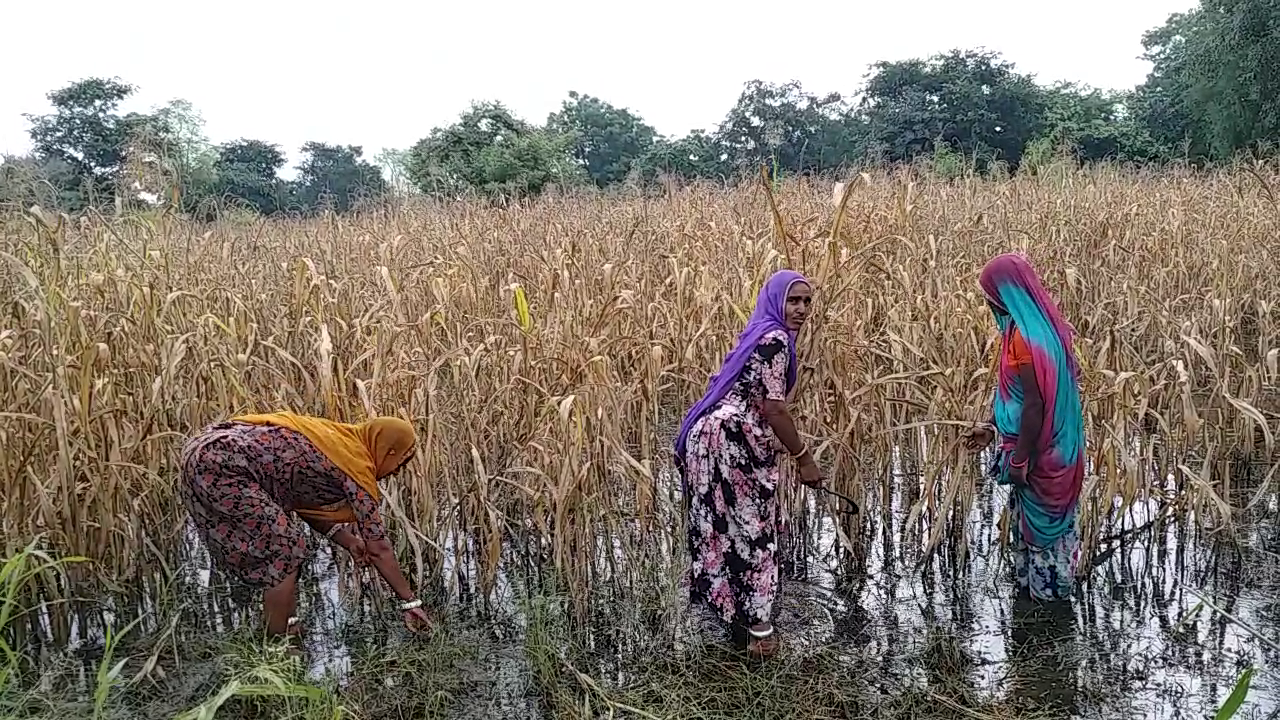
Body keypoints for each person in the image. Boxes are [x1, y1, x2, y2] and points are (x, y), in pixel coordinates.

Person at [179, 411, 432, 639]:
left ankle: (285, 626)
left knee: (284, 543)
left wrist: (349, 541)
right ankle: (277, 647)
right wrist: (410, 603)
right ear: (388, 450)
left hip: (203, 450)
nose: (397, 471)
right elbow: (379, 549)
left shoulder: (337, 441)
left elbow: (302, 505)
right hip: (220, 463)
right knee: (284, 550)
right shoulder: (356, 464)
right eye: (401, 461)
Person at [674, 269, 822, 659]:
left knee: (723, 528)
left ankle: (735, 623)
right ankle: (759, 633)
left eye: (807, 301)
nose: (802, 309)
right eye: (794, 300)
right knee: (756, 531)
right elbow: (774, 407)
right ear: (776, 301)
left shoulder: (756, 334)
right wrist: (804, 458)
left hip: (709, 439)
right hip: (730, 441)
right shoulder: (774, 341)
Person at [963, 253, 1085, 602]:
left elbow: (1034, 404)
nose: (987, 301)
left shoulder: (1024, 340)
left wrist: (1019, 460)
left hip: (1040, 456)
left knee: (1043, 542)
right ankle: (1040, 616)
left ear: (1004, 294)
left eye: (989, 293)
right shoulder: (1043, 328)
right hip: (1056, 450)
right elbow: (1020, 398)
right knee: (1046, 536)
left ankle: (1047, 623)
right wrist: (991, 427)